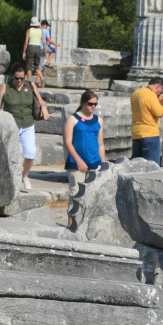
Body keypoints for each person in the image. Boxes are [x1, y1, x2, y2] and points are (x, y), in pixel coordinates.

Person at [0, 62, 50, 190]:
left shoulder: (30, 85)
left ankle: (25, 176)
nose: (19, 81)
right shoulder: (5, 87)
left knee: (30, 153)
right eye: (16, 78)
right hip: (12, 125)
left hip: (28, 124)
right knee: (11, 154)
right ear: (12, 77)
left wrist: (44, 107)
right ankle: (11, 178)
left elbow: (40, 100)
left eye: (21, 78)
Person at [63, 91, 106, 228]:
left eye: (95, 104)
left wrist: (104, 164)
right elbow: (68, 142)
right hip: (76, 163)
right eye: (90, 104)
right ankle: (71, 225)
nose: (93, 106)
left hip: (94, 161)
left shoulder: (99, 120)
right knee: (75, 193)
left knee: (93, 195)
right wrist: (78, 159)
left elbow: (100, 144)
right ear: (83, 103)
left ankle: (86, 225)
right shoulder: (73, 119)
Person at [130, 77, 163, 165]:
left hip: (136, 133)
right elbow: (159, 113)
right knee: (151, 167)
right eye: (161, 91)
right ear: (158, 87)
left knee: (136, 165)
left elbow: (145, 108)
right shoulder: (150, 94)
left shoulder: (136, 93)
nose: (159, 93)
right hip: (149, 133)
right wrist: (160, 102)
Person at [22, 17, 47, 87]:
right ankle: (42, 77)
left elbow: (26, 42)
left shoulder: (29, 30)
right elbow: (44, 42)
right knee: (37, 66)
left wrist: (24, 51)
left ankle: (29, 82)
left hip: (31, 47)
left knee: (29, 66)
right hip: (38, 48)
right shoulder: (40, 31)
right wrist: (45, 51)